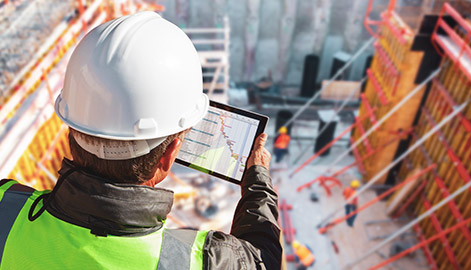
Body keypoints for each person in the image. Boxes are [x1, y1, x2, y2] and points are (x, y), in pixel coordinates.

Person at [0, 12, 282, 269]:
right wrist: (257, 181)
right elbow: (263, 258)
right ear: (168, 154)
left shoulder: (5, 206)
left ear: (71, 129)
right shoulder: (199, 261)